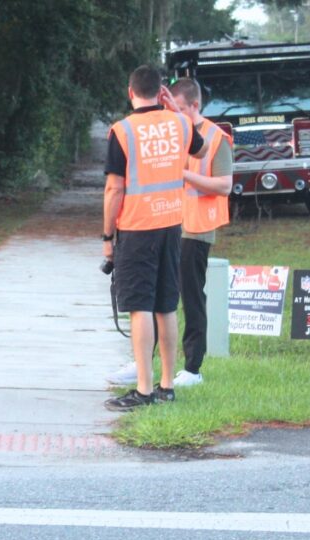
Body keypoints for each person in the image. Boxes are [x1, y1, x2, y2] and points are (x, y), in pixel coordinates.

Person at [102, 65, 205, 411]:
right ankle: (166, 385)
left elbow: (115, 188)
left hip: (137, 227)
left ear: (131, 92)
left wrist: (106, 236)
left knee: (139, 307)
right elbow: (201, 150)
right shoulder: (179, 124)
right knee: (165, 305)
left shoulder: (123, 131)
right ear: (161, 92)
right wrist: (176, 110)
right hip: (171, 224)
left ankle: (143, 391)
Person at [169, 77, 233, 387]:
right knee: (161, 296)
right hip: (168, 224)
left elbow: (225, 185)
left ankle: (193, 368)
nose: (176, 113)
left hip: (196, 229)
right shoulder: (173, 133)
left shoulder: (215, 137)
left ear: (195, 106)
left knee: (191, 298)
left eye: (180, 108)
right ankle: (147, 360)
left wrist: (185, 175)